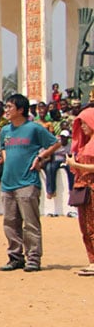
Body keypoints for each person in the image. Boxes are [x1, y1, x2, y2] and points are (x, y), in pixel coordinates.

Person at [0, 93, 61, 272]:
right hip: (8, 182)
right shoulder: (5, 131)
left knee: (30, 223)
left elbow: (55, 143)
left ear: (21, 110)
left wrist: (40, 157)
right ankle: (15, 257)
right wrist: (7, 162)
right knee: (10, 222)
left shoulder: (34, 128)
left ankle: (33, 258)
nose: (7, 110)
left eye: (10, 107)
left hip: (28, 182)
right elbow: (3, 148)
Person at [65, 107, 94, 275]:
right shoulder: (85, 144)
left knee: (92, 225)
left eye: (85, 123)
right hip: (83, 187)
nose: (82, 127)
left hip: (91, 187)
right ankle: (91, 259)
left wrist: (77, 166)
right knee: (85, 226)